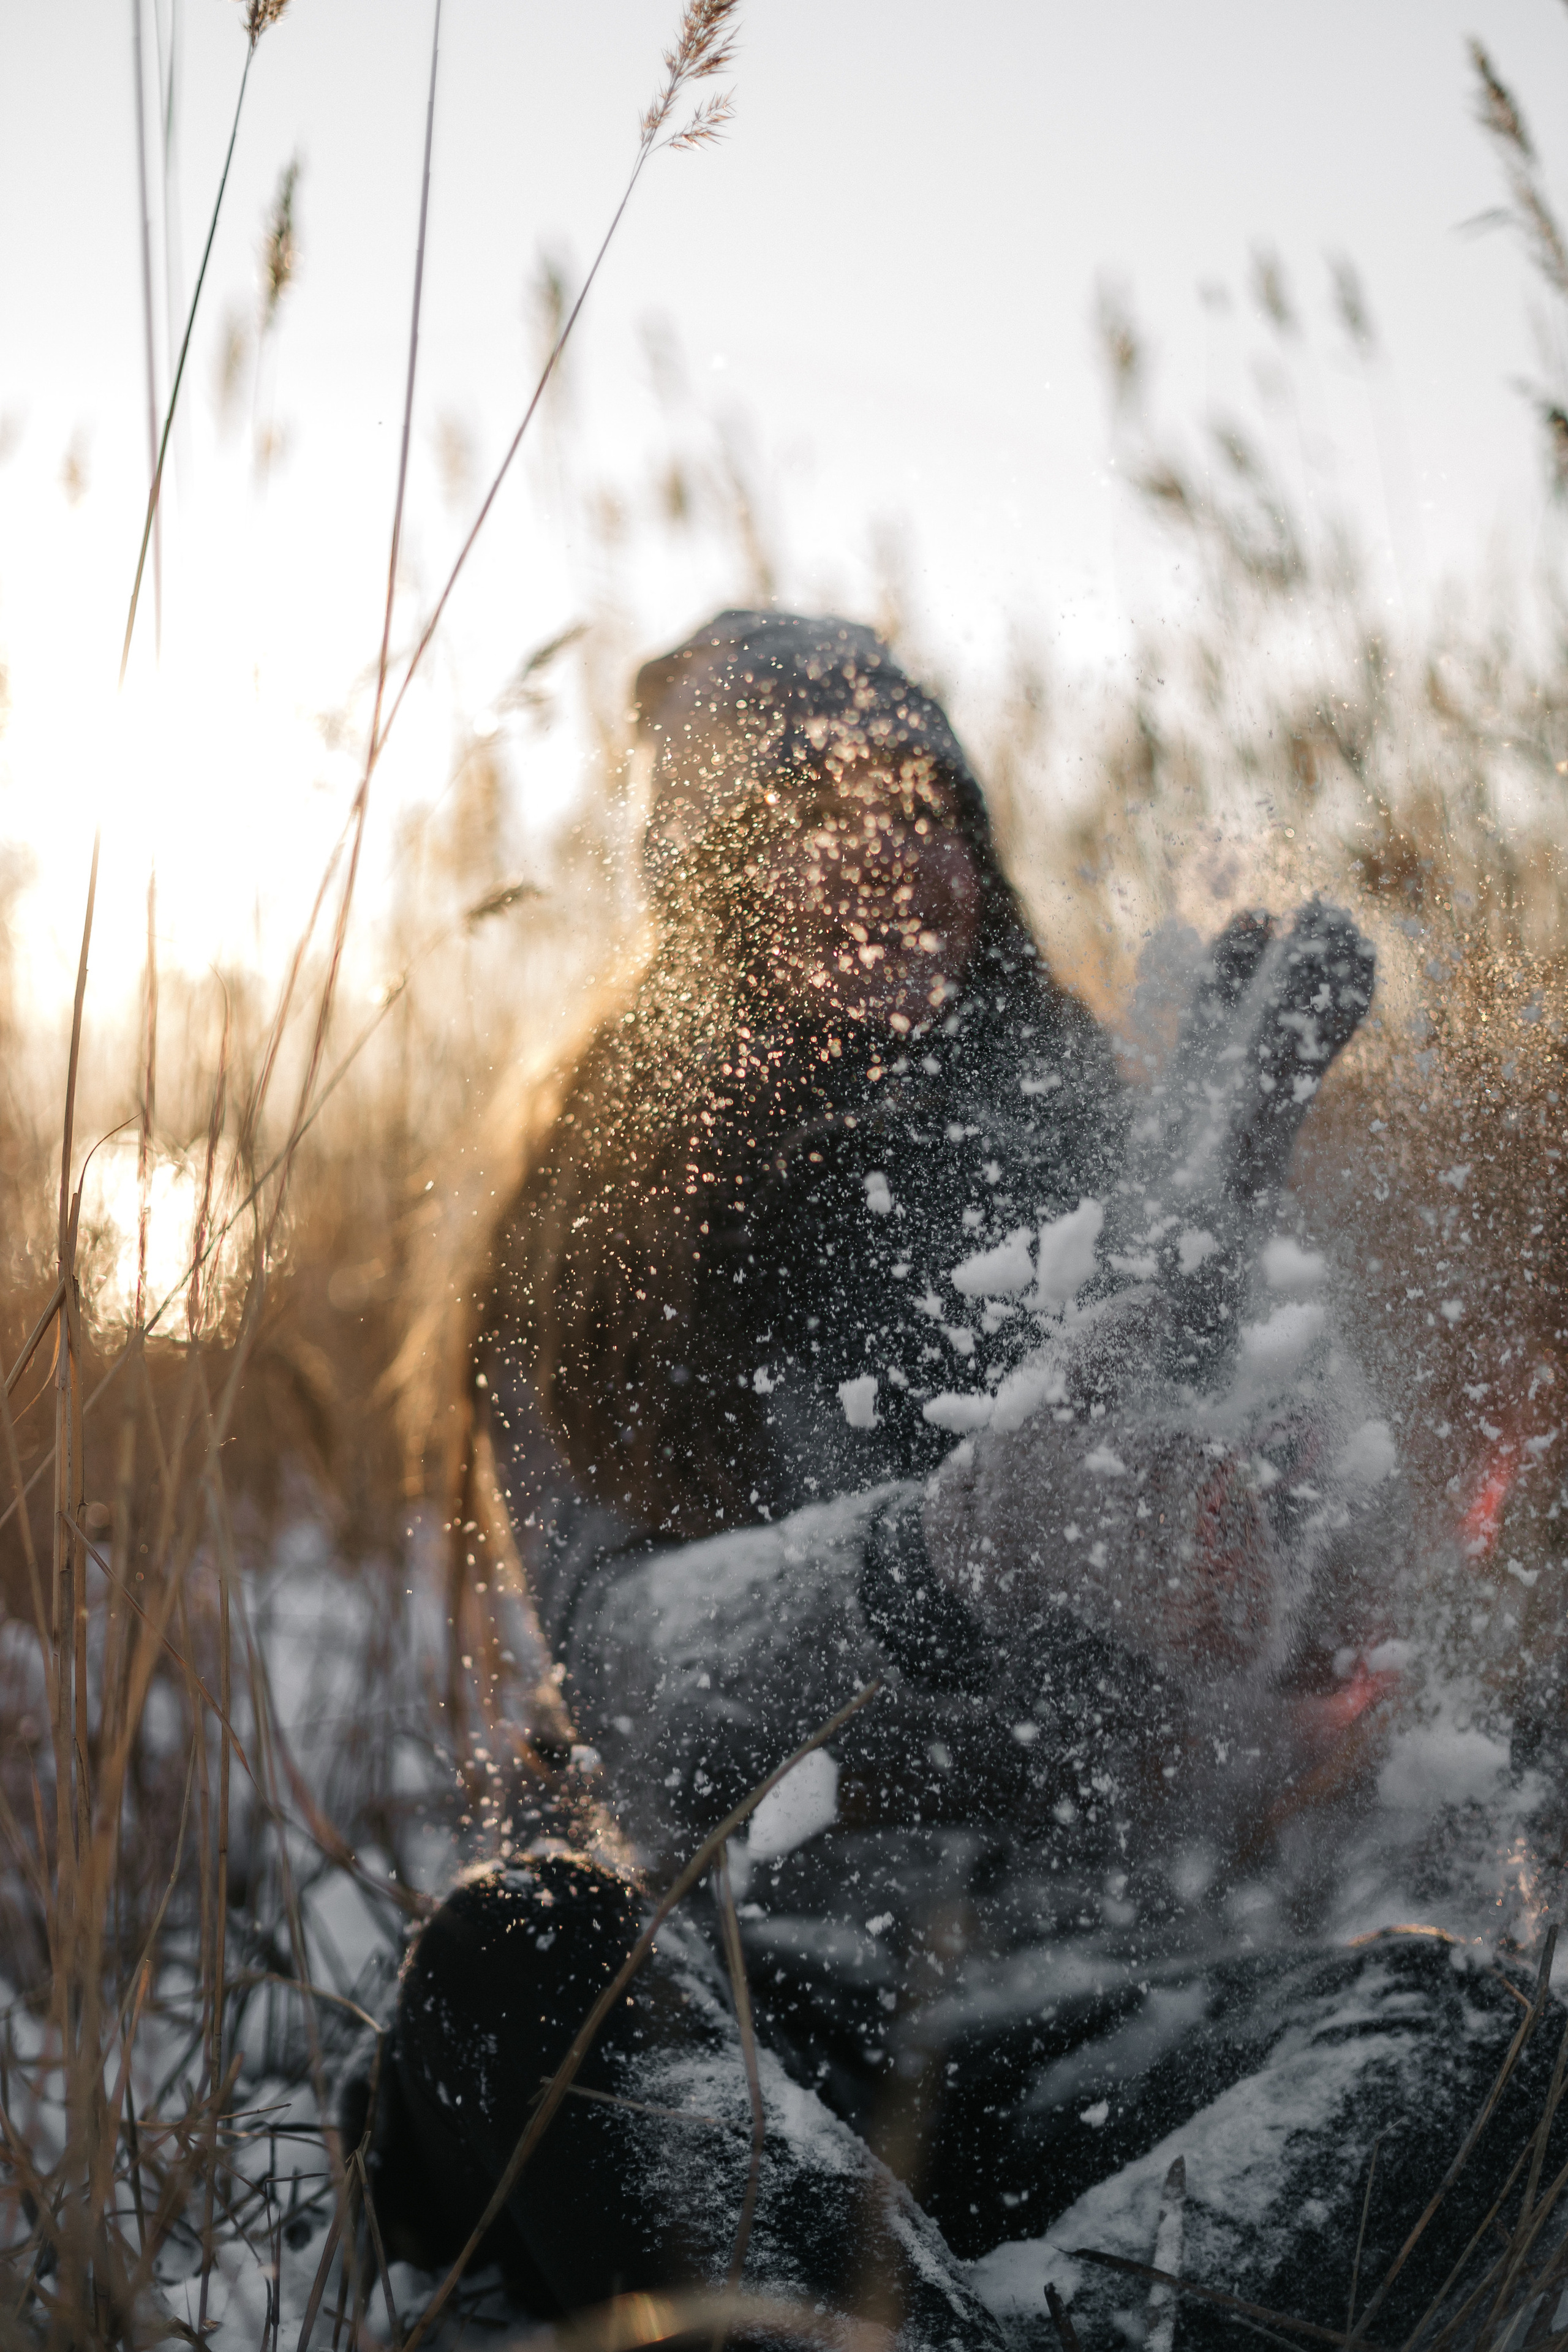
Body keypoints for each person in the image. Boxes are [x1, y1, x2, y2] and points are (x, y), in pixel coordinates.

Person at [348, 614, 1557, 2349]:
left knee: (1475, 2033)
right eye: (806, 815)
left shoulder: (1113, 1149)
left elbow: (1303, 1698)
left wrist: (1217, 1272)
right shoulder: (596, 1244)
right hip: (764, 2027)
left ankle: (1012, 2333)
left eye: (926, 804)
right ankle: (855, 2321)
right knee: (514, 1956)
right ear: (708, 891)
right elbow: (640, 1687)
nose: (888, 857)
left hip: (1125, 2033)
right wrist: (953, 1541)